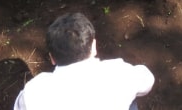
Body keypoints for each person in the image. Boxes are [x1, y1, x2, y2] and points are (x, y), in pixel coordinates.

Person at [14, 12, 154, 110]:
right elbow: (147, 81)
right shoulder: (118, 72)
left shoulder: (33, 91)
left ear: (52, 58)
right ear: (93, 46)